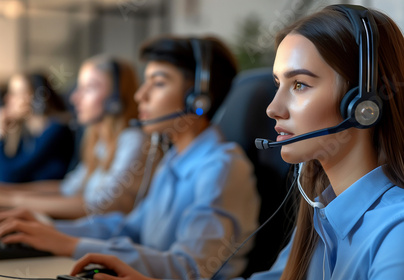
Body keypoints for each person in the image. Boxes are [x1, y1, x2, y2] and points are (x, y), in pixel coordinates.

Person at [67, 4, 404, 280]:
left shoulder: (396, 232)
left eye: (299, 84)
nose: (272, 108)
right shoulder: (321, 210)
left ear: (362, 105)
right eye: (277, 84)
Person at [0, 36, 260, 279]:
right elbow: (127, 228)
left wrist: (69, 245)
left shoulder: (221, 168)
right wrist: (49, 229)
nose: (140, 95)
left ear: (198, 100)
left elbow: (190, 269)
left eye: (158, 83)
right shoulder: (174, 159)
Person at [0, 56, 149, 219]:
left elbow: (100, 205)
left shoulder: (133, 140)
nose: (75, 98)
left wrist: (6, 198)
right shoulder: (99, 142)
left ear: (115, 99)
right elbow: (68, 188)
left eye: (89, 88)